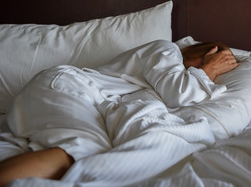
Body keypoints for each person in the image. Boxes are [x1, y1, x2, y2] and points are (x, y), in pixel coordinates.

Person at [0, 40, 238, 186]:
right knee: (83, 151)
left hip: (67, 95)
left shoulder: (153, 88)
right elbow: (178, 92)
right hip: (70, 86)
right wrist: (207, 70)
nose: (214, 75)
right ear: (206, 51)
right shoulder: (166, 49)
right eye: (217, 60)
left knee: (86, 154)